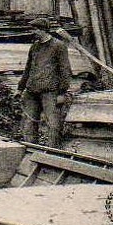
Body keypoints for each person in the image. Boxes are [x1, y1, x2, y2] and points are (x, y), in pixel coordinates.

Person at [16, 18, 72, 148]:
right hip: (32, 91)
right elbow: (28, 69)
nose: (33, 32)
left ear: (43, 30)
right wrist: (20, 88)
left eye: (35, 29)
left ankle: (52, 151)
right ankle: (31, 149)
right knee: (29, 123)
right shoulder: (34, 47)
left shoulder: (58, 46)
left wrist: (62, 93)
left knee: (53, 124)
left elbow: (65, 70)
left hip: (50, 92)